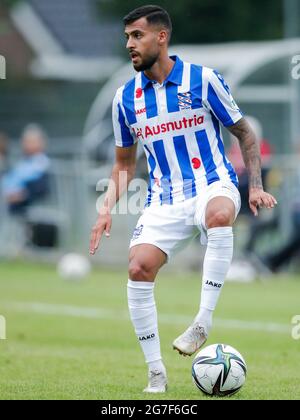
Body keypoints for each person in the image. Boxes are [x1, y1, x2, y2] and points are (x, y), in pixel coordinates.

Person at [90, 5, 277, 393]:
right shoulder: (125, 99)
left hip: (212, 182)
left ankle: (202, 322)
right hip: (164, 198)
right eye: (126, 37)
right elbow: (123, 164)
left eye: (136, 36)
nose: (129, 44)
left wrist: (255, 185)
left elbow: (245, 134)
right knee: (138, 267)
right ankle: (156, 373)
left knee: (220, 214)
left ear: (162, 37)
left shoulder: (203, 80)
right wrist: (105, 209)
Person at [2, 124, 50, 215]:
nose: (28, 145)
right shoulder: (22, 163)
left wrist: (22, 194)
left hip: (29, 207)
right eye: (26, 141)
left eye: (32, 142)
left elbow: (41, 188)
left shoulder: (43, 163)